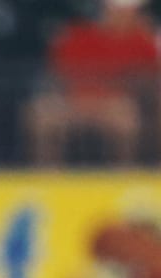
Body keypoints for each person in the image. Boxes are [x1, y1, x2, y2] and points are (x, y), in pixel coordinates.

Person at [23, 0, 160, 165]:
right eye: (120, 11)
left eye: (132, 11)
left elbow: (152, 79)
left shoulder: (143, 41)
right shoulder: (77, 34)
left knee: (125, 117)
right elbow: (57, 74)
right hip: (72, 101)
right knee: (42, 114)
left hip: (113, 104)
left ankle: (124, 176)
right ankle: (46, 178)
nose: (127, 15)